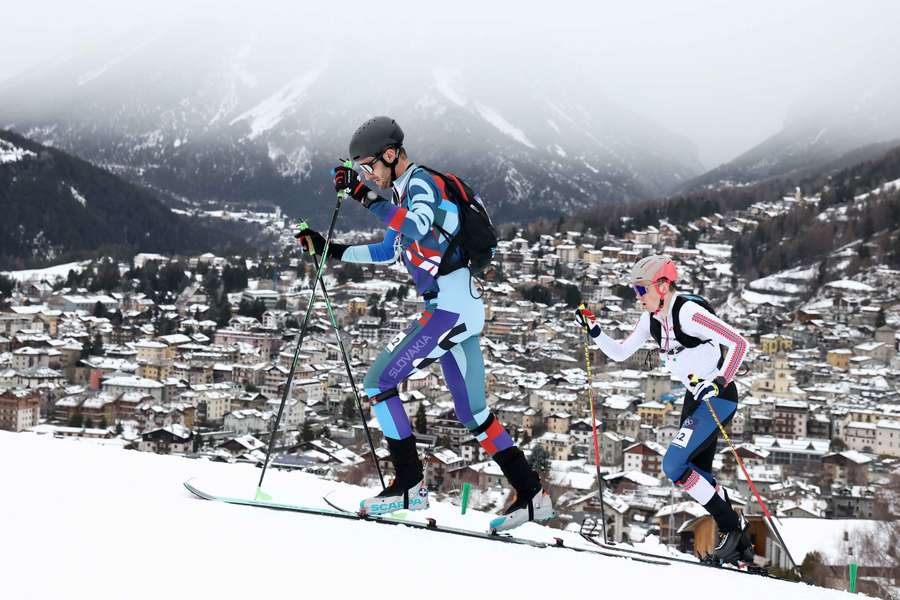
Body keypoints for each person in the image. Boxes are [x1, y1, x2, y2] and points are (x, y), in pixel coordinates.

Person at [296, 116, 553, 530]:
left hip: (449, 308)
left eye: (369, 166)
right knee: (474, 413)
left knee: (378, 382)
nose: (368, 175)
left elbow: (414, 226)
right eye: (361, 170)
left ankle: (410, 484)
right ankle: (531, 494)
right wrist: (331, 251)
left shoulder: (419, 183)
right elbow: (388, 250)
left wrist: (362, 195)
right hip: (460, 307)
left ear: (391, 154)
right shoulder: (402, 191)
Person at [575, 254, 753, 564]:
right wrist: (595, 330)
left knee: (673, 465)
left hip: (718, 396)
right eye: (635, 290)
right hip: (694, 397)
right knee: (694, 474)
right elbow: (619, 353)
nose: (638, 297)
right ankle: (740, 543)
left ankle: (732, 529)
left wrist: (721, 380)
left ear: (662, 285)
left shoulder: (689, 314)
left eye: (641, 290)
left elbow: (739, 344)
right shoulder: (650, 320)